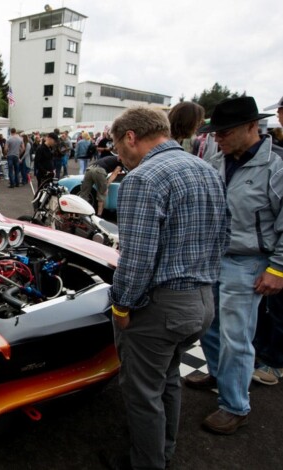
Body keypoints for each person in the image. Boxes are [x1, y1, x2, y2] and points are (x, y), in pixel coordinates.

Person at [104, 106, 229, 470]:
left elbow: (137, 259)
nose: (119, 154)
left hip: (161, 307)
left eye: (118, 145)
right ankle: (164, 450)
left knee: (142, 393)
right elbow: (224, 236)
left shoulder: (144, 178)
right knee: (168, 378)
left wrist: (122, 306)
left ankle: (147, 463)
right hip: (203, 300)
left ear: (131, 137)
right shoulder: (207, 169)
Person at [184, 96, 283, 435]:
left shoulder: (277, 167)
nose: (217, 138)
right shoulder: (217, 158)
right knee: (208, 325)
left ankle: (235, 405)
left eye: (225, 132)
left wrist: (278, 269)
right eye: (216, 132)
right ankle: (217, 372)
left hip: (249, 262)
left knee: (236, 337)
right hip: (213, 257)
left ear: (252, 127)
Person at [252, 95, 283, 385]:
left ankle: (274, 362)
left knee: (277, 311)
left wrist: (278, 266)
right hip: (266, 249)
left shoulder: (278, 161)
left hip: (276, 253)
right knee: (265, 311)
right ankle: (263, 355)